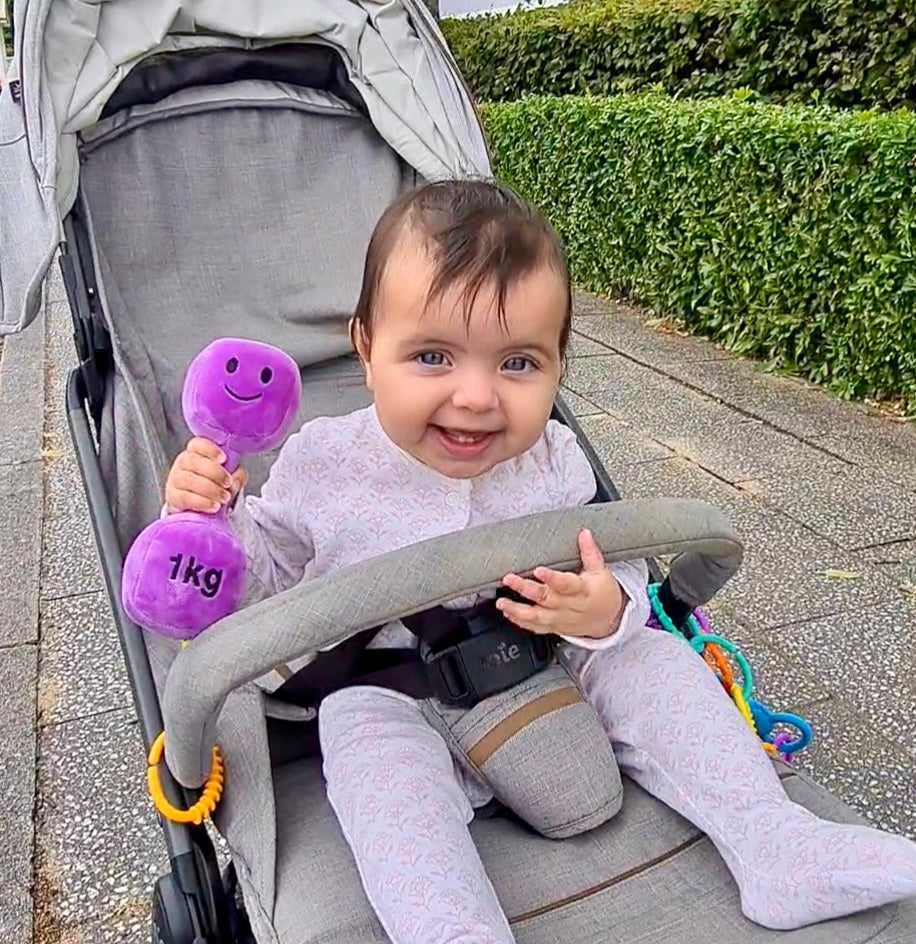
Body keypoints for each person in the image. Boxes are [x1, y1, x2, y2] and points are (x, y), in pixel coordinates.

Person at [164, 179, 916, 942]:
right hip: (389, 693)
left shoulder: (552, 459)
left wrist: (606, 608)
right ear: (365, 348)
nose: (477, 397)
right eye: (432, 356)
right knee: (374, 769)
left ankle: (775, 845)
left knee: (652, 662)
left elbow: (609, 559)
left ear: (559, 366)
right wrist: (212, 521)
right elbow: (267, 590)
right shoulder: (322, 462)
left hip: (546, 669)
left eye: (518, 364)